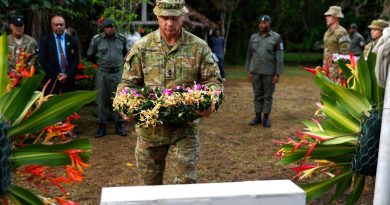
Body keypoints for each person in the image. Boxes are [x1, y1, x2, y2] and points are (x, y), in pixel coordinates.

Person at [116, 0, 223, 185]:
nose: (169, 23)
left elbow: (213, 81)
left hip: (185, 127)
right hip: (150, 130)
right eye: (164, 18)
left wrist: (211, 101)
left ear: (183, 16)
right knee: (150, 186)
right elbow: (127, 83)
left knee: (185, 184)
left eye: (174, 18)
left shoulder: (198, 47)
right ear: (157, 16)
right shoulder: (142, 46)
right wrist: (125, 103)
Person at [87, 18, 128, 138]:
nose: (111, 29)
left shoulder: (121, 39)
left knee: (119, 99)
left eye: (113, 27)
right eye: (108, 27)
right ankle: (101, 126)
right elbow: (90, 55)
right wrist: (101, 64)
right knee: (101, 100)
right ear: (104, 28)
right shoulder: (97, 40)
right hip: (102, 73)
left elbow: (126, 53)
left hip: (117, 73)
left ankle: (119, 125)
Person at [245, 15, 283, 128]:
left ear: (269, 24)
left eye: (265, 23)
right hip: (255, 71)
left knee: (268, 96)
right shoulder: (253, 38)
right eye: (261, 23)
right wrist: (249, 70)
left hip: (269, 72)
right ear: (259, 24)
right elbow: (249, 54)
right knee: (257, 95)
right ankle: (257, 117)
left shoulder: (276, 38)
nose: (263, 25)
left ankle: (266, 118)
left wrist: (277, 73)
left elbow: (279, 56)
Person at [38, 15, 80, 95]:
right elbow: (43, 60)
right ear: (52, 26)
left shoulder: (72, 40)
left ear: (65, 25)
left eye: (61, 24)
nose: (59, 27)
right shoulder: (45, 40)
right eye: (56, 25)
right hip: (52, 78)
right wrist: (57, 74)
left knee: (69, 103)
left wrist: (67, 75)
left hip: (69, 79)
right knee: (51, 103)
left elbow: (76, 60)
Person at [323, 6, 350, 78]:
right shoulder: (327, 32)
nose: (326, 17)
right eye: (326, 15)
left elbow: (345, 53)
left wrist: (341, 71)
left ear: (336, 17)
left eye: (329, 15)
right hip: (327, 70)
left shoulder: (341, 32)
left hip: (337, 72)